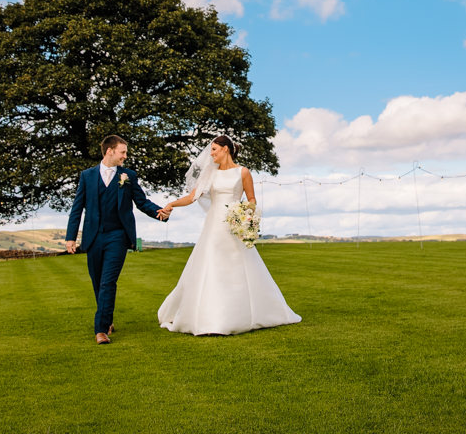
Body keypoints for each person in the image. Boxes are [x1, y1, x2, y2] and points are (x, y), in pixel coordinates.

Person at [157, 135, 301, 335]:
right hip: (214, 225)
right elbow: (192, 197)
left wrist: (245, 217)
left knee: (238, 267)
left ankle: (244, 314)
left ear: (226, 149)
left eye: (214, 149)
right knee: (212, 266)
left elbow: (251, 199)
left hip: (234, 227)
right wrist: (171, 204)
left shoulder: (243, 172)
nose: (211, 154)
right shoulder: (210, 174)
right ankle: (210, 317)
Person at [65, 135, 170, 344]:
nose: (125, 156)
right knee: (97, 282)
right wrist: (70, 238)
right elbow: (77, 208)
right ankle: (107, 318)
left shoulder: (128, 175)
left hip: (118, 236)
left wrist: (158, 212)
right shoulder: (87, 176)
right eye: (122, 152)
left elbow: (141, 201)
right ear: (109, 151)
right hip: (93, 237)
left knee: (108, 282)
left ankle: (100, 330)